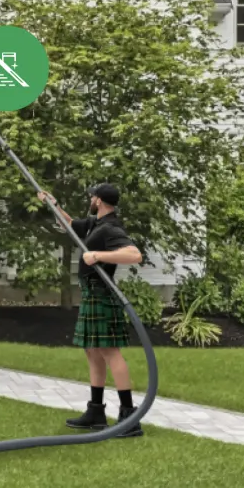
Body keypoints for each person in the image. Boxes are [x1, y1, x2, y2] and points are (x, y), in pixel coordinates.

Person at [37, 183, 145, 438]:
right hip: (90, 293)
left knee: (109, 351)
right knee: (92, 350)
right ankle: (96, 411)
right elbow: (70, 225)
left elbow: (134, 255)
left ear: (100, 200)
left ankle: (129, 417)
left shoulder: (111, 227)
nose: (91, 199)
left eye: (93, 196)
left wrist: (97, 255)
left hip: (102, 294)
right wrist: (53, 204)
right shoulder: (95, 223)